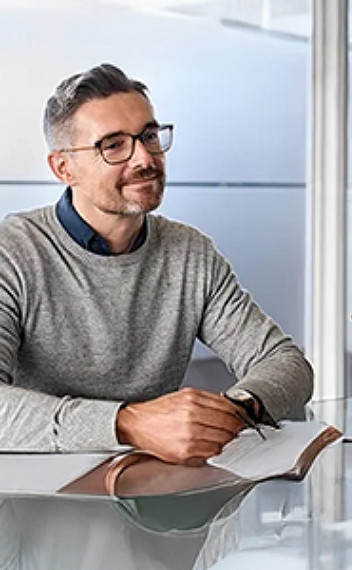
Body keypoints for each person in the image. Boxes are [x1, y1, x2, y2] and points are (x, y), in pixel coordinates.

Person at [0, 63, 313, 464]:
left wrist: (232, 411)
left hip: (156, 501)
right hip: (39, 508)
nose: (144, 158)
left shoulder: (189, 253)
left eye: (149, 136)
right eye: (113, 145)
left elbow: (286, 363)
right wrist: (126, 423)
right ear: (64, 168)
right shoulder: (14, 252)